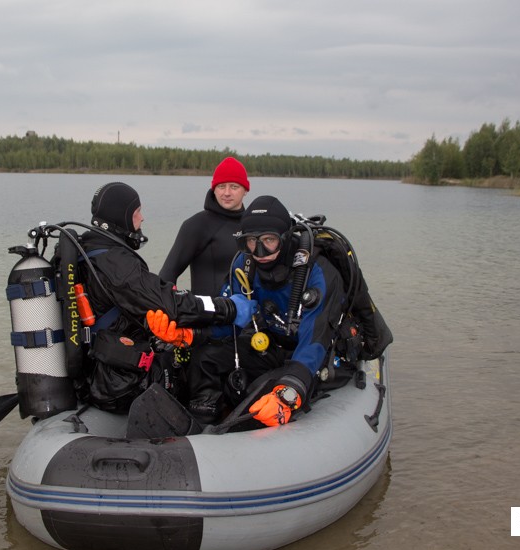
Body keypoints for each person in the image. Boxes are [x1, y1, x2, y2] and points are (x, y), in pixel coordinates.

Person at [147, 195, 392, 428]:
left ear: (285, 238)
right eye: (252, 242)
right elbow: (234, 317)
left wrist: (290, 390)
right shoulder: (244, 267)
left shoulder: (317, 272)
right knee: (205, 356)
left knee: (265, 386)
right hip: (273, 346)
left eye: (269, 240)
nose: (260, 252)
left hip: (322, 354)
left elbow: (314, 339)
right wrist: (191, 335)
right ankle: (203, 422)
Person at [69, 182, 256, 412]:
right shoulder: (116, 264)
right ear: (122, 217)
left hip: (103, 370)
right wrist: (227, 308)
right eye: (137, 212)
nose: (142, 219)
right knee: (198, 368)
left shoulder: (89, 249)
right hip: (120, 383)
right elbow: (169, 305)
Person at [159, 156, 250, 295]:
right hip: (207, 314)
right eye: (221, 186)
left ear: (245, 190)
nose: (226, 193)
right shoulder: (197, 225)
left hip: (246, 312)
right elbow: (166, 276)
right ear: (214, 189)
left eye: (234, 187)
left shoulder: (252, 224)